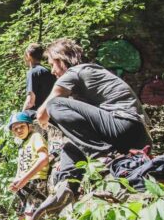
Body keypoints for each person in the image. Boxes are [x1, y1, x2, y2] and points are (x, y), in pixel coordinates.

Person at [36, 38, 152, 175]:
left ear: (60, 60)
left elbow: (42, 115)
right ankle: (67, 184)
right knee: (71, 144)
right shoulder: (94, 73)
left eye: (52, 65)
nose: (52, 71)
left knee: (54, 104)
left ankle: (102, 155)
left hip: (122, 124)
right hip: (140, 137)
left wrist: (43, 123)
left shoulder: (74, 73)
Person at [6, 112, 50, 220]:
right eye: (15, 129)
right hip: (23, 185)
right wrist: (16, 181)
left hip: (36, 182)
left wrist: (24, 179)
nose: (19, 130)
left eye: (21, 126)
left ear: (29, 126)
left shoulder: (36, 137)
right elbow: (21, 167)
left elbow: (44, 158)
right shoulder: (22, 145)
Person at [23, 43, 56, 111]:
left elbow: (30, 101)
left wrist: (21, 115)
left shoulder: (33, 72)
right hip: (51, 112)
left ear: (28, 55)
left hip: (37, 114)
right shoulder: (48, 71)